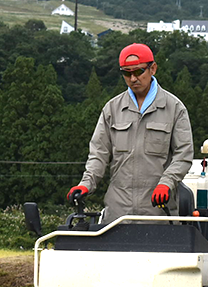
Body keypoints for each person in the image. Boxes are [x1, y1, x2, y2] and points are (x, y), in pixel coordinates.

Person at [67, 43, 194, 223]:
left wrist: (166, 183)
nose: (133, 78)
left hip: (158, 212)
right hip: (118, 214)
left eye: (138, 71)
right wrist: (85, 184)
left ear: (153, 68)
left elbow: (183, 155)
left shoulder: (175, 108)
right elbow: (98, 154)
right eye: (127, 73)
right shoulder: (112, 109)